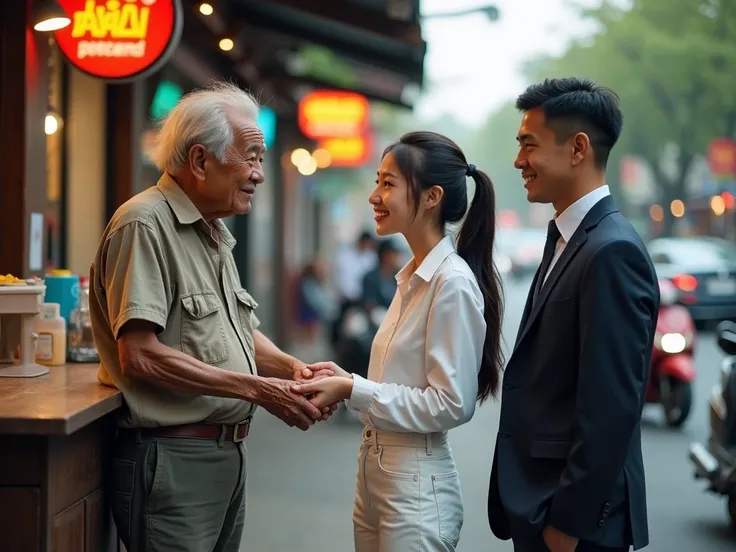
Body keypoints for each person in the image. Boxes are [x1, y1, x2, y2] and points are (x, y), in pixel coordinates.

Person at [89, 82, 334, 552]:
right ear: (201, 161)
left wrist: (292, 371)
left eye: (261, 159)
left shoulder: (212, 229)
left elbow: (237, 330)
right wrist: (259, 390)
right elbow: (139, 355)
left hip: (223, 456)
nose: (259, 174)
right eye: (251, 157)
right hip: (173, 459)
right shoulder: (144, 223)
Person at [293, 131, 505, 551]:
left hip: (415, 487)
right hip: (377, 474)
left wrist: (353, 389)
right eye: (377, 180)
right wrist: (346, 378)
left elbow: (451, 404)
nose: (374, 195)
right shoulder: (412, 278)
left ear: (431, 197)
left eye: (388, 184)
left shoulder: (452, 284)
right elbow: (401, 380)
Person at [487, 77, 659, 552]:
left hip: (572, 524)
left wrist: (570, 523)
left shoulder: (612, 250)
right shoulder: (568, 236)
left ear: (578, 148)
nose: (519, 161)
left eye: (529, 145)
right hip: (540, 504)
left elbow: (612, 405)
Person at [330, 230, 378, 344]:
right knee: (341, 329)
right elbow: (341, 280)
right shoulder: (344, 256)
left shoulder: (371, 258)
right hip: (347, 300)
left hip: (365, 301)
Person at [361, 239, 402, 310]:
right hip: (378, 317)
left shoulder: (399, 278)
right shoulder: (370, 278)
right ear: (385, 255)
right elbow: (369, 305)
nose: (397, 258)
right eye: (394, 254)